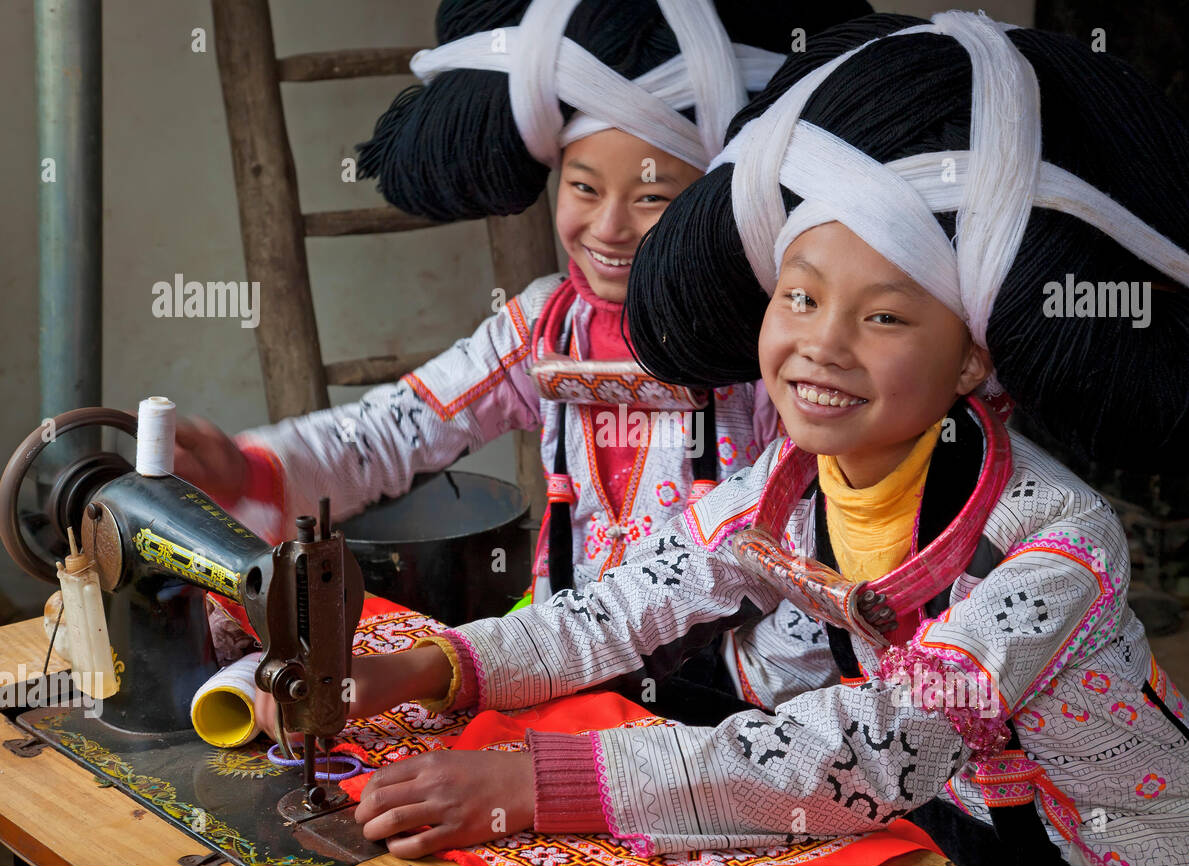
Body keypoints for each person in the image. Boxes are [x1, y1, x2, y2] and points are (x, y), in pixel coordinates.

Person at [298, 11, 1189, 866]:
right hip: (961, 832)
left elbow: (868, 744)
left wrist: (534, 781)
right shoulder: (786, 486)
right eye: (801, 296)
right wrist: (428, 667)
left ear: (968, 363)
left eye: (885, 317)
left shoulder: (1053, 549)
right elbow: (618, 608)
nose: (820, 347)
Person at [172, 0, 860, 616]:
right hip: (558, 660)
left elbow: (812, 540)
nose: (609, 228)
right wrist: (248, 470)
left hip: (722, 689)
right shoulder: (542, 327)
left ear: (715, 206)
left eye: (652, 198)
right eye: (584, 188)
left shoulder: (765, 348)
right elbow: (391, 432)